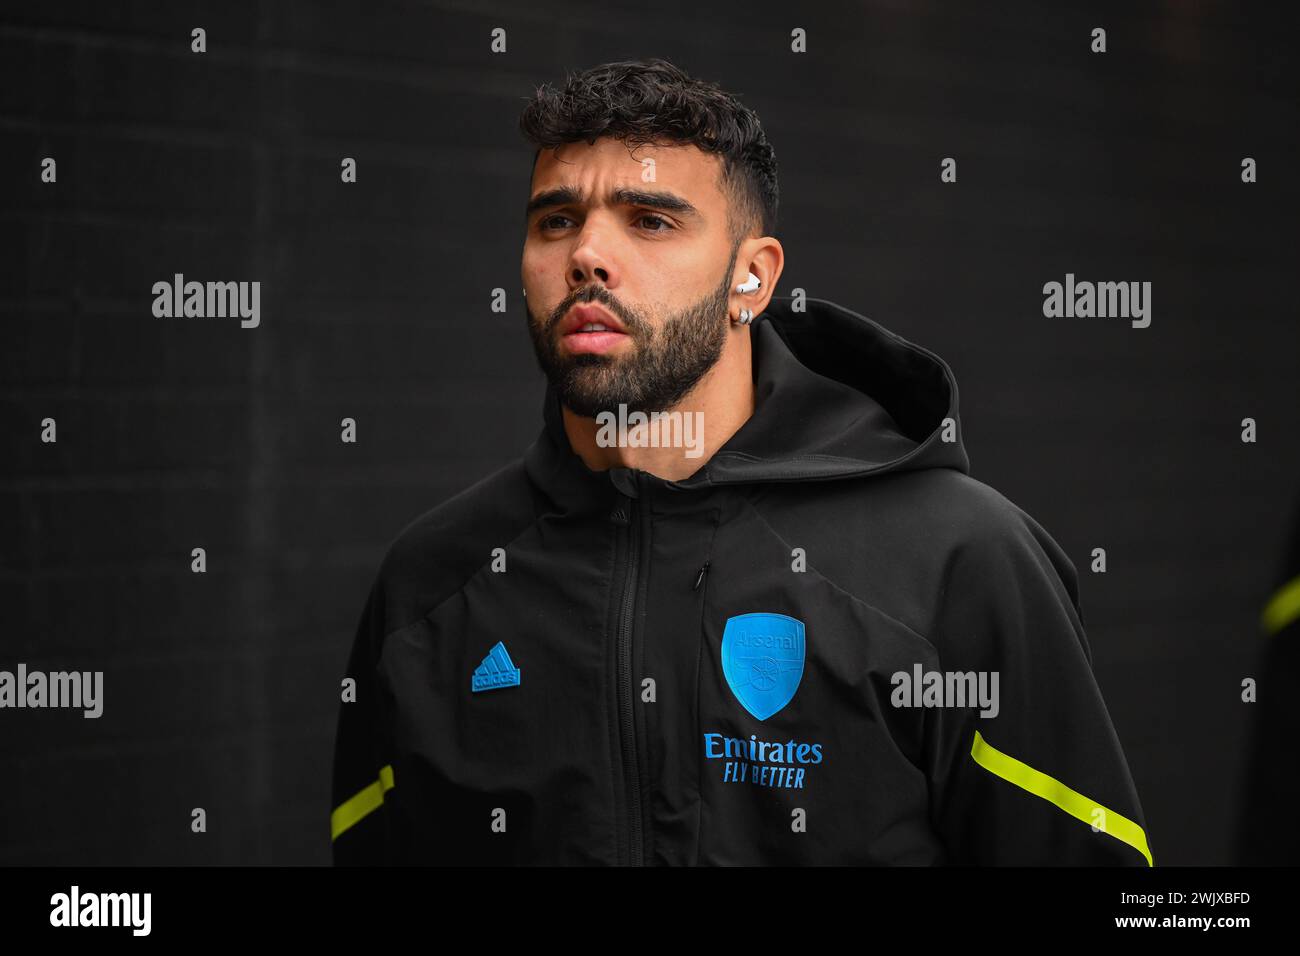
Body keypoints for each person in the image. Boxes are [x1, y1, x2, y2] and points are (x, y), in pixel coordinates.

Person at [330, 57, 1152, 865]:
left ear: (751, 279)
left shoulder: (957, 565)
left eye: (650, 220)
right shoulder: (433, 585)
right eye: (556, 221)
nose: (587, 255)